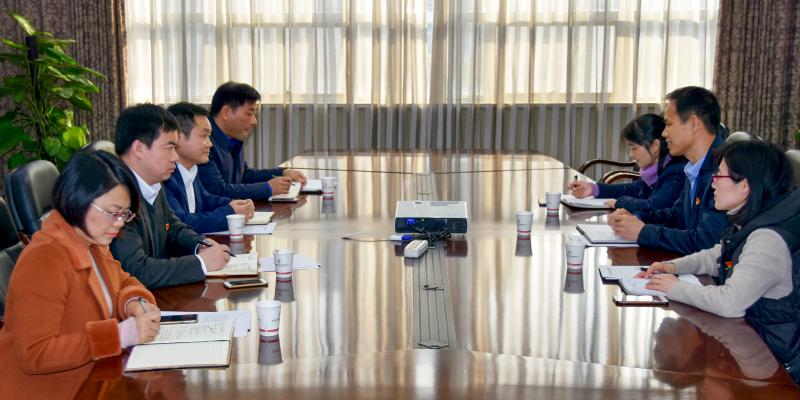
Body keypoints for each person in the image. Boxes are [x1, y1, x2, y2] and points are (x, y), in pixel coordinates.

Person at [0, 150, 161, 399]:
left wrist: (134, 303)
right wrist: (118, 336)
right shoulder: (45, 257)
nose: (120, 223)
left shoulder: (92, 241)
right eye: (113, 212)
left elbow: (123, 281)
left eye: (125, 214)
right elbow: (35, 352)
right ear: (80, 200)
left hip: (94, 378)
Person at [638, 140, 800, 384]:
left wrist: (674, 287)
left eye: (719, 175)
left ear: (744, 186)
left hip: (778, 370)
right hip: (754, 346)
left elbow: (729, 303)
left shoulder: (767, 239)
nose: (712, 182)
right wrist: (674, 266)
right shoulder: (753, 220)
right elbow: (719, 255)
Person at [111, 104, 231, 289]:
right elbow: (137, 270)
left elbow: (174, 228)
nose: (175, 157)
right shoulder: (114, 196)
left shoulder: (153, 183)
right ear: (139, 148)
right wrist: (201, 263)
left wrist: (200, 244)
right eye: (169, 147)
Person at [608, 86, 729, 255]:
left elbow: (705, 241)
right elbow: (676, 216)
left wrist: (643, 232)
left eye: (669, 124)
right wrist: (636, 218)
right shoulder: (693, 166)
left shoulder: (725, 170)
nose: (664, 133)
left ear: (693, 123)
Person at [197, 81, 307, 200]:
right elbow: (217, 190)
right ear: (226, 112)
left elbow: (243, 175)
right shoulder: (203, 142)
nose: (254, 122)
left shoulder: (234, 138)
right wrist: (267, 188)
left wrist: (282, 173)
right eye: (249, 114)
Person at [165, 102, 255, 233]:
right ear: (178, 138)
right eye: (204, 136)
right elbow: (183, 222)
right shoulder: (166, 178)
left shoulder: (191, 168)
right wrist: (230, 212)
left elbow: (206, 199)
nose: (210, 144)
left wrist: (234, 203)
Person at [569, 113, 686, 213]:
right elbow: (632, 189)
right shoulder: (657, 170)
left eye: (634, 148)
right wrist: (593, 188)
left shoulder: (675, 173)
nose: (631, 154)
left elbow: (654, 206)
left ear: (655, 146)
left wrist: (620, 203)